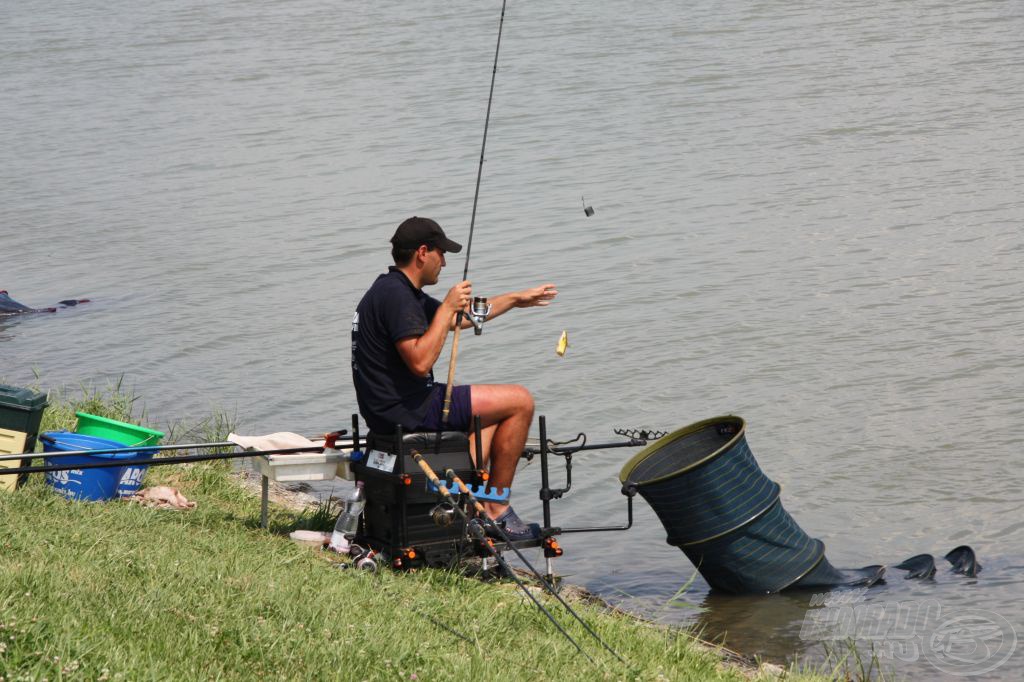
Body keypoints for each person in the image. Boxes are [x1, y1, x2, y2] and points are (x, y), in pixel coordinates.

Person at [352, 216, 557, 540]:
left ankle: (470, 502)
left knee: (490, 415)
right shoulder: (397, 297)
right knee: (520, 401)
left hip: (394, 406)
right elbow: (420, 362)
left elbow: (462, 318)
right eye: (441, 253)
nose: (445, 262)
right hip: (407, 409)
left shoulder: (397, 290)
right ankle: (496, 509)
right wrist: (446, 307)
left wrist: (516, 299)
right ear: (423, 252)